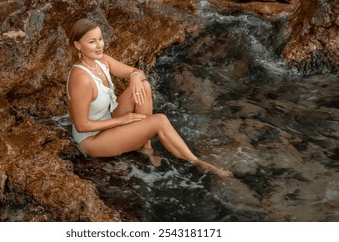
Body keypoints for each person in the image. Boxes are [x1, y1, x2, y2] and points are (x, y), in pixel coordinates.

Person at [66, 18, 232, 177]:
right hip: (90, 140)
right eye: (92, 42)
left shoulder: (101, 60)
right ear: (78, 45)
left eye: (100, 39)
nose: (99, 45)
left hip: (106, 119)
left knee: (143, 86)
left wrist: (134, 77)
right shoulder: (81, 78)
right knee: (159, 120)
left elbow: (138, 73)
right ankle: (196, 162)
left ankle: (145, 145)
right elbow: (81, 125)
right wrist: (123, 120)